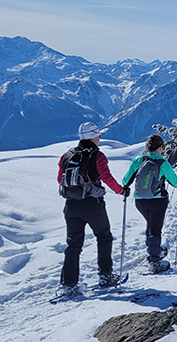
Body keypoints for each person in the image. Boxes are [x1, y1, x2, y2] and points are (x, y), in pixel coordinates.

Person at [57, 122, 127, 296]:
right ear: (93, 136)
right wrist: (121, 190)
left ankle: (69, 285)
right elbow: (106, 177)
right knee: (104, 237)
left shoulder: (67, 155)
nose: (100, 138)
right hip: (93, 205)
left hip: (71, 205)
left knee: (73, 245)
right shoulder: (98, 155)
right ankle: (105, 275)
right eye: (99, 135)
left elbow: (60, 178)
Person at [122, 134, 177, 273]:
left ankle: (153, 250)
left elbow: (125, 180)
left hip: (140, 201)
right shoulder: (163, 163)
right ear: (161, 147)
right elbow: (175, 182)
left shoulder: (138, 160)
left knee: (150, 225)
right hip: (158, 200)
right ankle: (154, 261)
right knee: (155, 229)